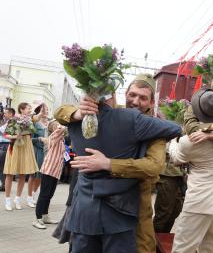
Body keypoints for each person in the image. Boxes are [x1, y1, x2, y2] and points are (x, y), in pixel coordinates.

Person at [55, 73, 171, 253]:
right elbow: (61, 112)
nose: (135, 101)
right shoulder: (112, 113)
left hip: (135, 205)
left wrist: (108, 163)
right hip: (91, 206)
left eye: (143, 98)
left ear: (151, 103)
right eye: (132, 95)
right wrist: (77, 112)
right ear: (125, 94)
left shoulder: (155, 128)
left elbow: (153, 167)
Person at [169, 88, 213, 253]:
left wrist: (173, 140)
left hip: (199, 198)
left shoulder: (188, 141)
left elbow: (176, 158)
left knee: (183, 246)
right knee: (210, 246)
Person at [3, 102, 39, 211]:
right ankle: (7, 200)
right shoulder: (14, 120)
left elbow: (34, 129)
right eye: (28, 108)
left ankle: (17, 199)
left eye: (30, 108)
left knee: (23, 173)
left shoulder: (30, 121)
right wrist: (15, 135)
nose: (30, 110)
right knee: (10, 173)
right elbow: (6, 134)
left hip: (26, 146)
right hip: (15, 146)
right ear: (22, 110)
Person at [33, 120, 65, 229]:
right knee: (44, 194)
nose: (59, 125)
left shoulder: (61, 139)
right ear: (52, 128)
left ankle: (45, 216)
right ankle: (37, 219)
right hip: (48, 170)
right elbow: (62, 129)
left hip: (55, 172)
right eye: (56, 124)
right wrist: (61, 124)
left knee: (49, 195)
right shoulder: (54, 136)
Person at [29, 103, 49, 207]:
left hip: (48, 152)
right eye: (44, 109)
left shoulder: (50, 123)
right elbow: (30, 139)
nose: (46, 111)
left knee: (41, 176)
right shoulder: (35, 123)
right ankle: (30, 196)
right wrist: (40, 139)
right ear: (39, 111)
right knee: (35, 175)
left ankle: (34, 194)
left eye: (47, 109)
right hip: (38, 150)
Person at [0, 108, 15, 192]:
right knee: (2, 165)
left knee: (3, 165)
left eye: (6, 113)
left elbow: (6, 134)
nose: (4, 114)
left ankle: (4, 184)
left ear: (10, 114)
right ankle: (3, 183)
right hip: (2, 145)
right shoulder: (5, 122)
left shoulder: (13, 123)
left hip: (7, 145)